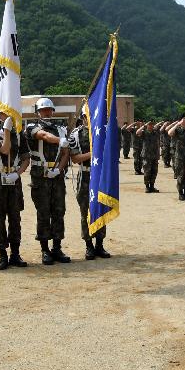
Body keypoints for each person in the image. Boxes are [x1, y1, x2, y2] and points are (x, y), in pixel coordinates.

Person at [25, 97, 72, 265]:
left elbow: (66, 153)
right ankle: (45, 250)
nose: (46, 112)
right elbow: (43, 136)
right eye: (43, 110)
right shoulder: (31, 127)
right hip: (40, 176)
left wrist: (59, 170)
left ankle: (57, 247)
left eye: (48, 110)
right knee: (43, 213)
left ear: (52, 111)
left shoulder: (61, 129)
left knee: (59, 212)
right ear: (37, 112)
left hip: (57, 176)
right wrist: (60, 140)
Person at [0, 109, 30, 270]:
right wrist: (6, 129)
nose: (8, 115)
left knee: (15, 217)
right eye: (4, 113)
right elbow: (4, 149)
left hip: (13, 179)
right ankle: (3, 255)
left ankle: (15, 254)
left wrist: (17, 174)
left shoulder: (19, 133)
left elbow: (26, 158)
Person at [68, 111, 111, 260]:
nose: (90, 118)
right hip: (85, 175)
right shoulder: (76, 134)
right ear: (83, 117)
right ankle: (89, 245)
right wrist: (93, 154)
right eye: (87, 115)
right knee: (85, 212)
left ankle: (100, 244)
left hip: (100, 176)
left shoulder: (104, 131)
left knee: (101, 209)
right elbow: (74, 159)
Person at [168, 117, 185, 200]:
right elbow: (169, 133)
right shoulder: (178, 130)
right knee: (180, 176)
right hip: (180, 157)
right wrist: (177, 124)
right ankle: (181, 194)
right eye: (183, 121)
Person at [137, 121, 161, 193]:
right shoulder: (144, 133)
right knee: (147, 172)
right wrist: (144, 126)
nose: (150, 126)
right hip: (146, 156)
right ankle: (147, 187)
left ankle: (152, 186)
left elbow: (158, 143)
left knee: (154, 172)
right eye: (149, 125)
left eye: (152, 125)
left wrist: (158, 154)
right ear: (147, 126)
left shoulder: (155, 133)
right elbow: (137, 132)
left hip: (154, 156)